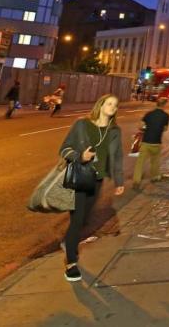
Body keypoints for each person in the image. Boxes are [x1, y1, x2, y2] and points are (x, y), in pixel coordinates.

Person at [58, 94, 125, 282]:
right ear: (100, 105)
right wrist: (80, 156)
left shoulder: (114, 131)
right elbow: (64, 149)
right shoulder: (82, 125)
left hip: (97, 181)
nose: (113, 107)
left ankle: (67, 241)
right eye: (109, 103)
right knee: (78, 220)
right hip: (80, 178)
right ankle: (71, 263)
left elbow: (117, 157)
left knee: (84, 220)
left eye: (116, 105)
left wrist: (119, 181)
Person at [132, 97, 169, 189]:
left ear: (156, 104)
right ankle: (154, 177)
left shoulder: (149, 114)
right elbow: (165, 129)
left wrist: (146, 128)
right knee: (155, 161)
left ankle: (136, 181)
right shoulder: (166, 116)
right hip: (157, 142)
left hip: (146, 142)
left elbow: (140, 126)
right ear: (164, 105)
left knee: (140, 162)